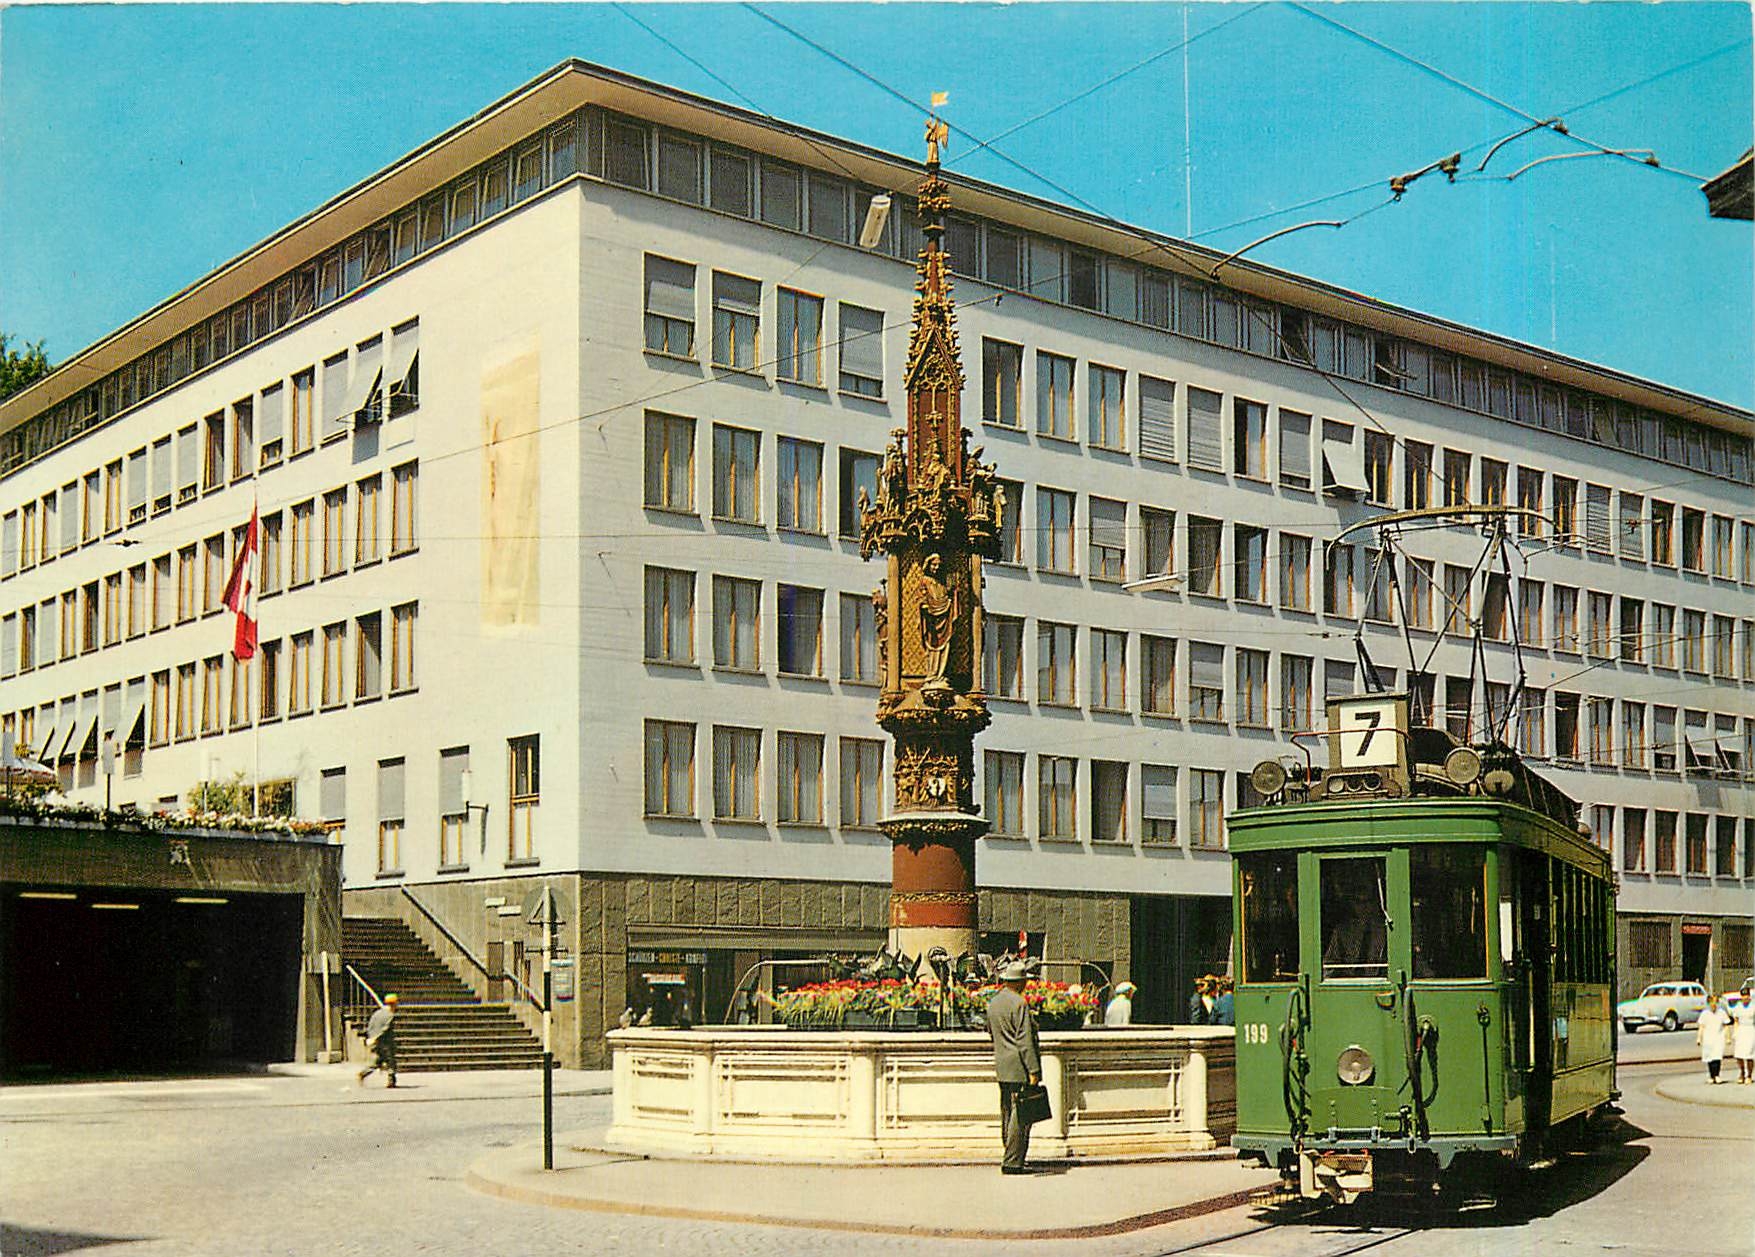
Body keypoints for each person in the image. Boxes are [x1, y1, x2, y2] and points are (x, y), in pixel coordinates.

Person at [986, 959, 1042, 1175]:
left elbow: (990, 1032)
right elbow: (1025, 1040)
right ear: (1020, 982)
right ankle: (1012, 1161)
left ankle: (1009, 1151)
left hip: (1002, 1065)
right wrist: (1033, 1070)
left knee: (1007, 1112)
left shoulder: (994, 1003)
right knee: (1021, 1115)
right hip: (1019, 1066)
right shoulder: (1020, 1004)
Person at [357, 993, 398, 1088]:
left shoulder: (376, 1013)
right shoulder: (390, 1015)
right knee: (391, 1061)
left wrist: (371, 1038)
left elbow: (370, 1026)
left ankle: (363, 1074)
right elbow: (385, 1030)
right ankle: (391, 1081)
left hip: (375, 1042)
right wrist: (377, 1038)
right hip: (385, 1043)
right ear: (393, 1004)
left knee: (378, 1061)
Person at [1696, 992, 1731, 1084]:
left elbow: (1726, 1025)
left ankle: (1717, 1075)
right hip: (1708, 1038)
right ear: (1708, 1003)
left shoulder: (1722, 1013)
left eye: (1715, 1002)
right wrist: (1699, 1038)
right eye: (1711, 1002)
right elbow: (1701, 1027)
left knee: (1717, 1057)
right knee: (1709, 1057)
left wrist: (1728, 1038)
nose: (1713, 1004)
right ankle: (1711, 1075)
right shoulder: (1705, 1014)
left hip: (1718, 1037)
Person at [1730, 990, 1755, 1085]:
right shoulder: (1738, 1007)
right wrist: (1735, 1033)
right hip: (1741, 1029)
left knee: (1749, 1054)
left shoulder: (1753, 1006)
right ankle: (1742, 1072)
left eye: (1747, 996)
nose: (1745, 998)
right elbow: (1736, 1020)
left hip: (1750, 1029)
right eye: (1743, 996)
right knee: (1739, 1054)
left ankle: (1749, 1075)